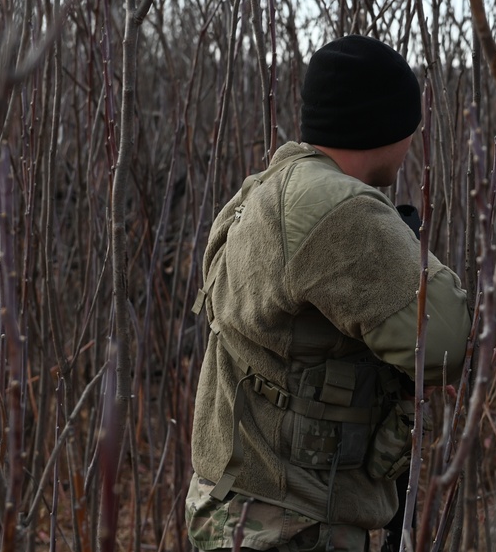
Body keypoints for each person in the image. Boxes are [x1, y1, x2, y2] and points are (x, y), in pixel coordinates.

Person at [185, 35, 472, 551]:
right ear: (381, 125)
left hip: (238, 510)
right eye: (409, 124)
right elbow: (446, 341)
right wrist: (408, 243)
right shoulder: (336, 206)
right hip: (292, 526)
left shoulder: (266, 187)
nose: (412, 140)